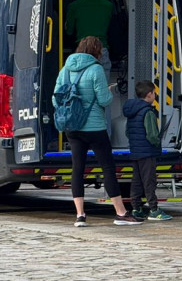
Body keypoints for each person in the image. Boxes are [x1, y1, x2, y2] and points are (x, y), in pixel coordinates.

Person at [52, 36, 140, 226]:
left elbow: (55, 99)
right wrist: (108, 92)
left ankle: (80, 216)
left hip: (72, 127)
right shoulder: (96, 69)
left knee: (77, 169)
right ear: (97, 51)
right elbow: (104, 100)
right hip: (94, 127)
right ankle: (121, 214)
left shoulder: (65, 69)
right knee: (107, 168)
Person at [123, 80, 171, 221]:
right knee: (149, 181)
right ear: (149, 94)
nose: (155, 95)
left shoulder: (132, 111)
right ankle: (154, 209)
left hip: (136, 151)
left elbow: (127, 132)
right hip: (147, 151)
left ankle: (136, 208)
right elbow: (152, 135)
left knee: (137, 181)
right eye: (154, 93)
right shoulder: (148, 112)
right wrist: (157, 142)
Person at [65, 0, 114, 71]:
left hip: (83, 50)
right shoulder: (108, 5)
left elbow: (69, 31)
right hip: (102, 49)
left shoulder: (74, 6)